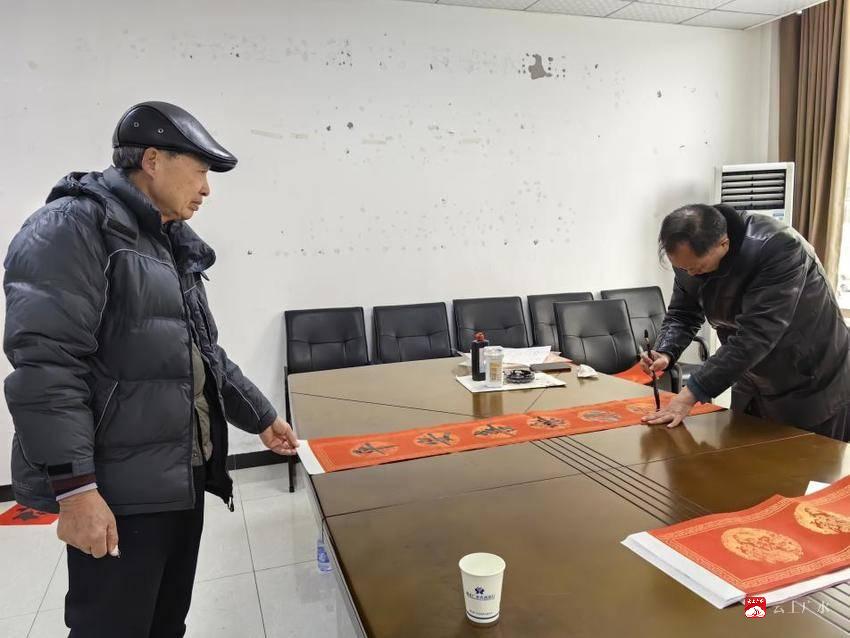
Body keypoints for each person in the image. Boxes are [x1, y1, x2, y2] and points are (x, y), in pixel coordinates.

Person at [3, 101, 299, 637]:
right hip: (119, 489)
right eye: (200, 170)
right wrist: (76, 492)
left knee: (166, 623)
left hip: (180, 476)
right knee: (112, 628)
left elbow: (204, 352)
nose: (206, 189)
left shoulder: (169, 243)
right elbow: (46, 368)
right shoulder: (73, 227)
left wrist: (260, 416)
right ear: (153, 160)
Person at [640, 203, 850, 441]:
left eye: (696, 267)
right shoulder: (690, 257)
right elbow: (683, 312)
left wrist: (692, 392)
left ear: (724, 244)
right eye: (682, 267)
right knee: (744, 456)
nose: (689, 273)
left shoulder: (778, 247)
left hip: (811, 380)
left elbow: (757, 334)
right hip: (751, 377)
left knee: (807, 460)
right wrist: (666, 352)